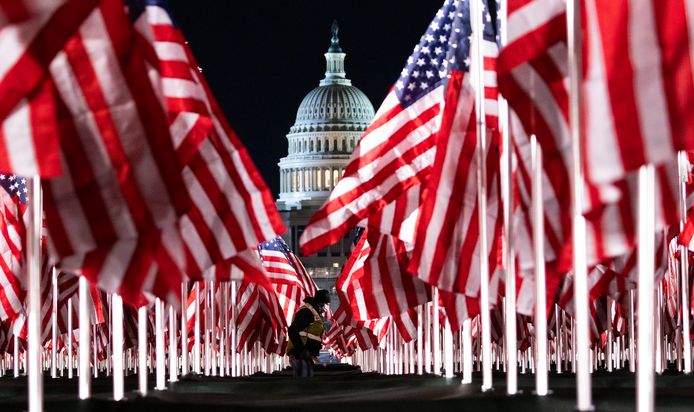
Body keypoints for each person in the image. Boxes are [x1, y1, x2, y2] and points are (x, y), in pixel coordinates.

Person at [286, 289, 331, 377]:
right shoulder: (307, 312)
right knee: (303, 385)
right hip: (299, 355)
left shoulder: (314, 313)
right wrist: (301, 350)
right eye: (325, 304)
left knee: (307, 383)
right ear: (320, 303)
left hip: (306, 356)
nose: (325, 308)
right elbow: (292, 330)